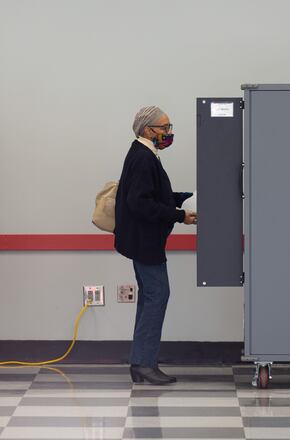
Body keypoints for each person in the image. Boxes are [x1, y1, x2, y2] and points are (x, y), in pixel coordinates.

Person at [114, 105, 197, 385]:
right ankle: (144, 364)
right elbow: (140, 203)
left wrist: (184, 198)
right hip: (144, 242)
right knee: (157, 296)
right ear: (147, 130)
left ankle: (141, 363)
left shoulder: (144, 154)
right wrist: (180, 215)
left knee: (151, 298)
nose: (168, 133)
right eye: (164, 128)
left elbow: (154, 194)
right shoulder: (142, 157)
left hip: (142, 241)